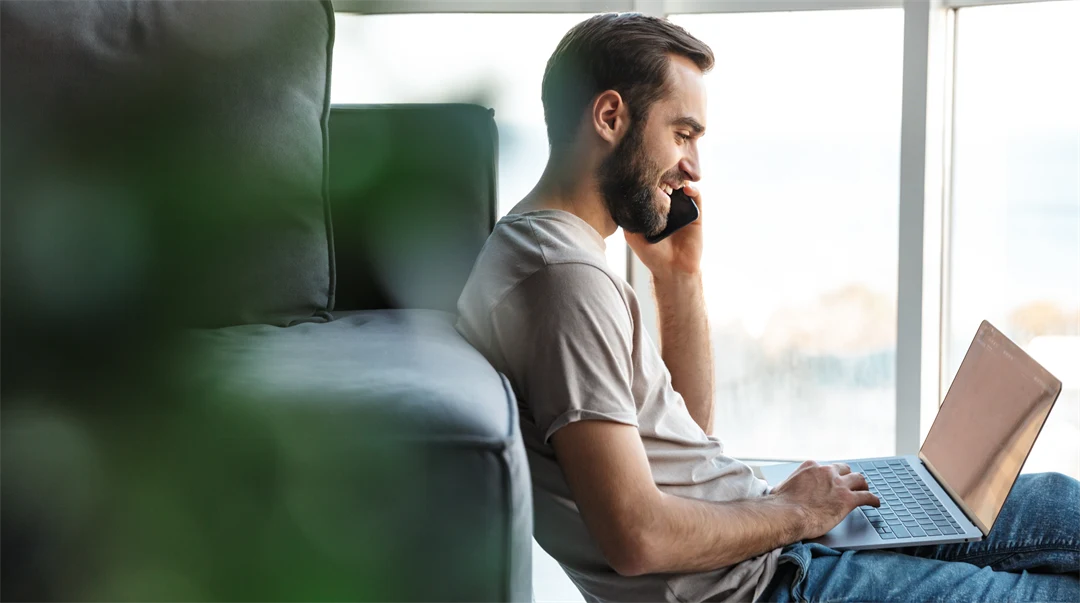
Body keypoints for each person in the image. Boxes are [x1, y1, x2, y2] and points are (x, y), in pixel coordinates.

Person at [456, 12, 1080, 603]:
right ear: (611, 115)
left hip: (770, 539)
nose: (692, 166)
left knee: (1056, 505)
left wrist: (680, 279)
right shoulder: (563, 277)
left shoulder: (542, 250)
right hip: (767, 581)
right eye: (682, 134)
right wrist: (797, 513)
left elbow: (684, 439)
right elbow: (636, 538)